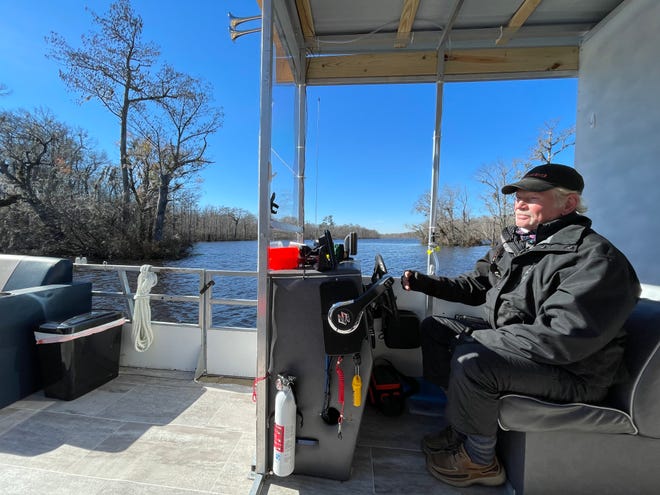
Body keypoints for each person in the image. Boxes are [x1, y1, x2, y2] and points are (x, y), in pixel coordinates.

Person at [401, 163, 640, 488]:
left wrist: (483, 340)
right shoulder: (516, 245)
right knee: (437, 329)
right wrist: (424, 283)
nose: (519, 204)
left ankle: (480, 461)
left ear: (568, 204)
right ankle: (463, 428)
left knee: (473, 360)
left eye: (533, 197)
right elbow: (476, 285)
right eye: (517, 197)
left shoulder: (595, 259)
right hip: (527, 349)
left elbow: (561, 338)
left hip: (576, 372)